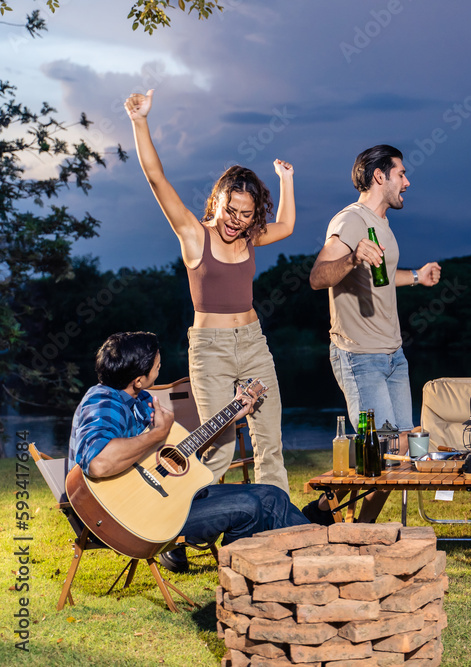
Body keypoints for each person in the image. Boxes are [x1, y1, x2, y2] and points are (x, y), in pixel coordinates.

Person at [125, 89, 294, 495]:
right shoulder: (193, 234)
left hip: (253, 342)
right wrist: (140, 121)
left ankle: (278, 524)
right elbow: (155, 177)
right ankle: (187, 521)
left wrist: (286, 180)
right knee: (219, 446)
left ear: (255, 215)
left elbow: (286, 226)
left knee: (270, 441)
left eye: (246, 214)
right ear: (217, 201)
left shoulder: (251, 237)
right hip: (210, 349)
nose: (236, 221)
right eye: (230, 210)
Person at [68, 332, 310, 573]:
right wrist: (156, 434)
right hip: (132, 518)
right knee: (248, 505)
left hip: (163, 499)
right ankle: (239, 578)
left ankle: (319, 551)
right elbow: (98, 462)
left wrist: (231, 416)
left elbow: (175, 451)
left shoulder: (138, 399)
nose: (160, 365)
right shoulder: (103, 402)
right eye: (156, 364)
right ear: (139, 380)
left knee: (272, 495)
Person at [305, 145, 441, 523]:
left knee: (401, 456)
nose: (407, 182)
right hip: (359, 355)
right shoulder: (350, 220)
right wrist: (350, 257)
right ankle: (349, 525)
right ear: (379, 176)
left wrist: (416, 277)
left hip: (393, 356)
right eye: (401, 174)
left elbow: (377, 279)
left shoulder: (382, 224)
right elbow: (318, 277)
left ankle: (329, 515)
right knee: (381, 452)